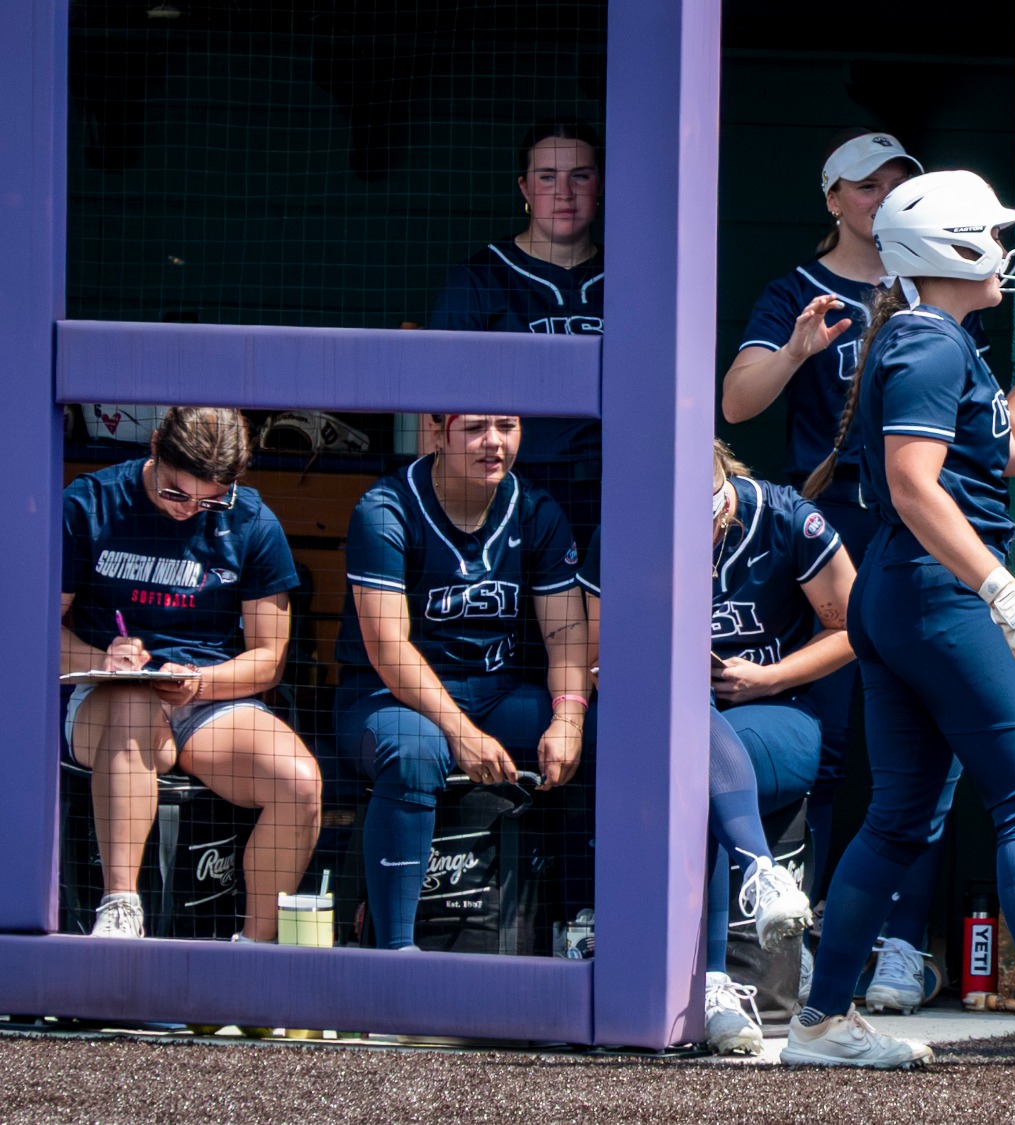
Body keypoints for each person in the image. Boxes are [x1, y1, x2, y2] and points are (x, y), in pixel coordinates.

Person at [777, 168, 1015, 1078]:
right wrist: (998, 585)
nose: (1005, 246)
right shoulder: (929, 342)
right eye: (990, 233)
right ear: (950, 248)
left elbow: (1009, 452)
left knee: (904, 815)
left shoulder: (939, 335)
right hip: (939, 590)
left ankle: (822, 1019)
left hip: (908, 591)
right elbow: (914, 486)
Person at [721, 131, 974, 1012]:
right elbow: (736, 400)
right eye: (866, 187)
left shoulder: (940, 283)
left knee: (923, 744)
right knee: (827, 743)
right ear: (833, 198)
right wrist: (794, 350)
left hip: (921, 516)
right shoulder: (798, 290)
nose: (880, 199)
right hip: (833, 521)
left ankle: (901, 943)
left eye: (897, 184)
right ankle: (807, 934)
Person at [572, 467, 819, 1055]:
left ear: (726, 501)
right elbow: (596, 656)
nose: (696, 531)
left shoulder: (781, 512)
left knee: (691, 762)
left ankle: (713, 982)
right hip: (662, 722)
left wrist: (768, 677)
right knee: (686, 750)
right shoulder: (630, 527)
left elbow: (851, 625)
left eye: (706, 517)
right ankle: (755, 885)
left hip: (770, 713)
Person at [60, 407, 322, 942]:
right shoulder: (91, 503)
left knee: (299, 782)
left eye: (210, 500)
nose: (189, 511)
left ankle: (255, 949)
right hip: (103, 696)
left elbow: (270, 657)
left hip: (207, 699)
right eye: (176, 494)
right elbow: (32, 629)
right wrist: (104, 662)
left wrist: (201, 683)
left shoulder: (250, 520)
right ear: (155, 446)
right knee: (133, 700)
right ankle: (120, 909)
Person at [334, 413, 590, 950]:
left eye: (507, 426)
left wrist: (569, 717)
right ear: (436, 431)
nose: (494, 442)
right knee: (415, 751)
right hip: (388, 700)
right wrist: (459, 732)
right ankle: (395, 956)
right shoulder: (384, 509)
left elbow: (566, 632)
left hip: (496, 695)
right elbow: (387, 648)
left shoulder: (535, 509)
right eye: (475, 428)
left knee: (608, 730)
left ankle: (582, 925)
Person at [431, 116, 605, 545]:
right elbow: (433, 403)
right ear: (525, 188)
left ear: (599, 185)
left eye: (579, 176)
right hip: (510, 489)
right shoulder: (480, 278)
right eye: (547, 177)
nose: (564, 193)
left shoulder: (633, 279)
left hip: (613, 485)